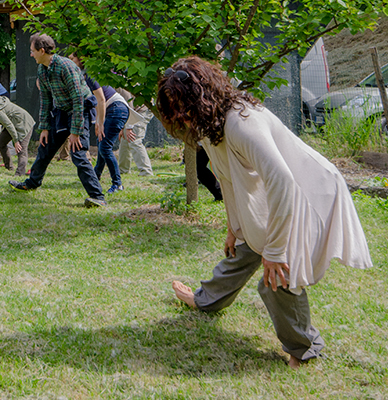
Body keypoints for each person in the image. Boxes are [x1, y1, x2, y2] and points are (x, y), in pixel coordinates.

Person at [158, 56, 373, 368]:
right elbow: (227, 177)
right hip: (283, 192)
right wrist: (235, 225)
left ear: (202, 96)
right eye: (174, 108)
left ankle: (305, 349)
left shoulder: (242, 123)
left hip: (311, 193)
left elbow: (284, 182)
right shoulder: (209, 124)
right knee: (244, 246)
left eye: (184, 106)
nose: (181, 116)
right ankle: (205, 301)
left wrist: (274, 250)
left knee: (278, 276)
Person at [9, 33, 107, 208]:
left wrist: (75, 132)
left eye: (32, 51)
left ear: (42, 50)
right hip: (61, 111)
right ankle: (32, 183)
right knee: (45, 148)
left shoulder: (66, 67)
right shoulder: (42, 69)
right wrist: (45, 128)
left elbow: (78, 100)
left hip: (80, 111)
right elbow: (45, 100)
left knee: (78, 154)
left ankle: (97, 197)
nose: (31, 55)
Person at [69, 55, 127, 194]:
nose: (70, 60)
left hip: (116, 107)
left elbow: (101, 99)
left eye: (72, 58)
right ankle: (96, 176)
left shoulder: (90, 75)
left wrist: (99, 122)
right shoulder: (83, 77)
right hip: (112, 109)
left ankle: (117, 184)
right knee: (102, 143)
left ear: (81, 59)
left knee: (105, 147)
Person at [117, 94, 154, 178]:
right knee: (125, 139)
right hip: (132, 111)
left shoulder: (120, 87)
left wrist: (129, 127)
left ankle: (146, 171)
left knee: (134, 139)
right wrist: (122, 127)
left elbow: (129, 106)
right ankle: (123, 170)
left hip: (142, 110)